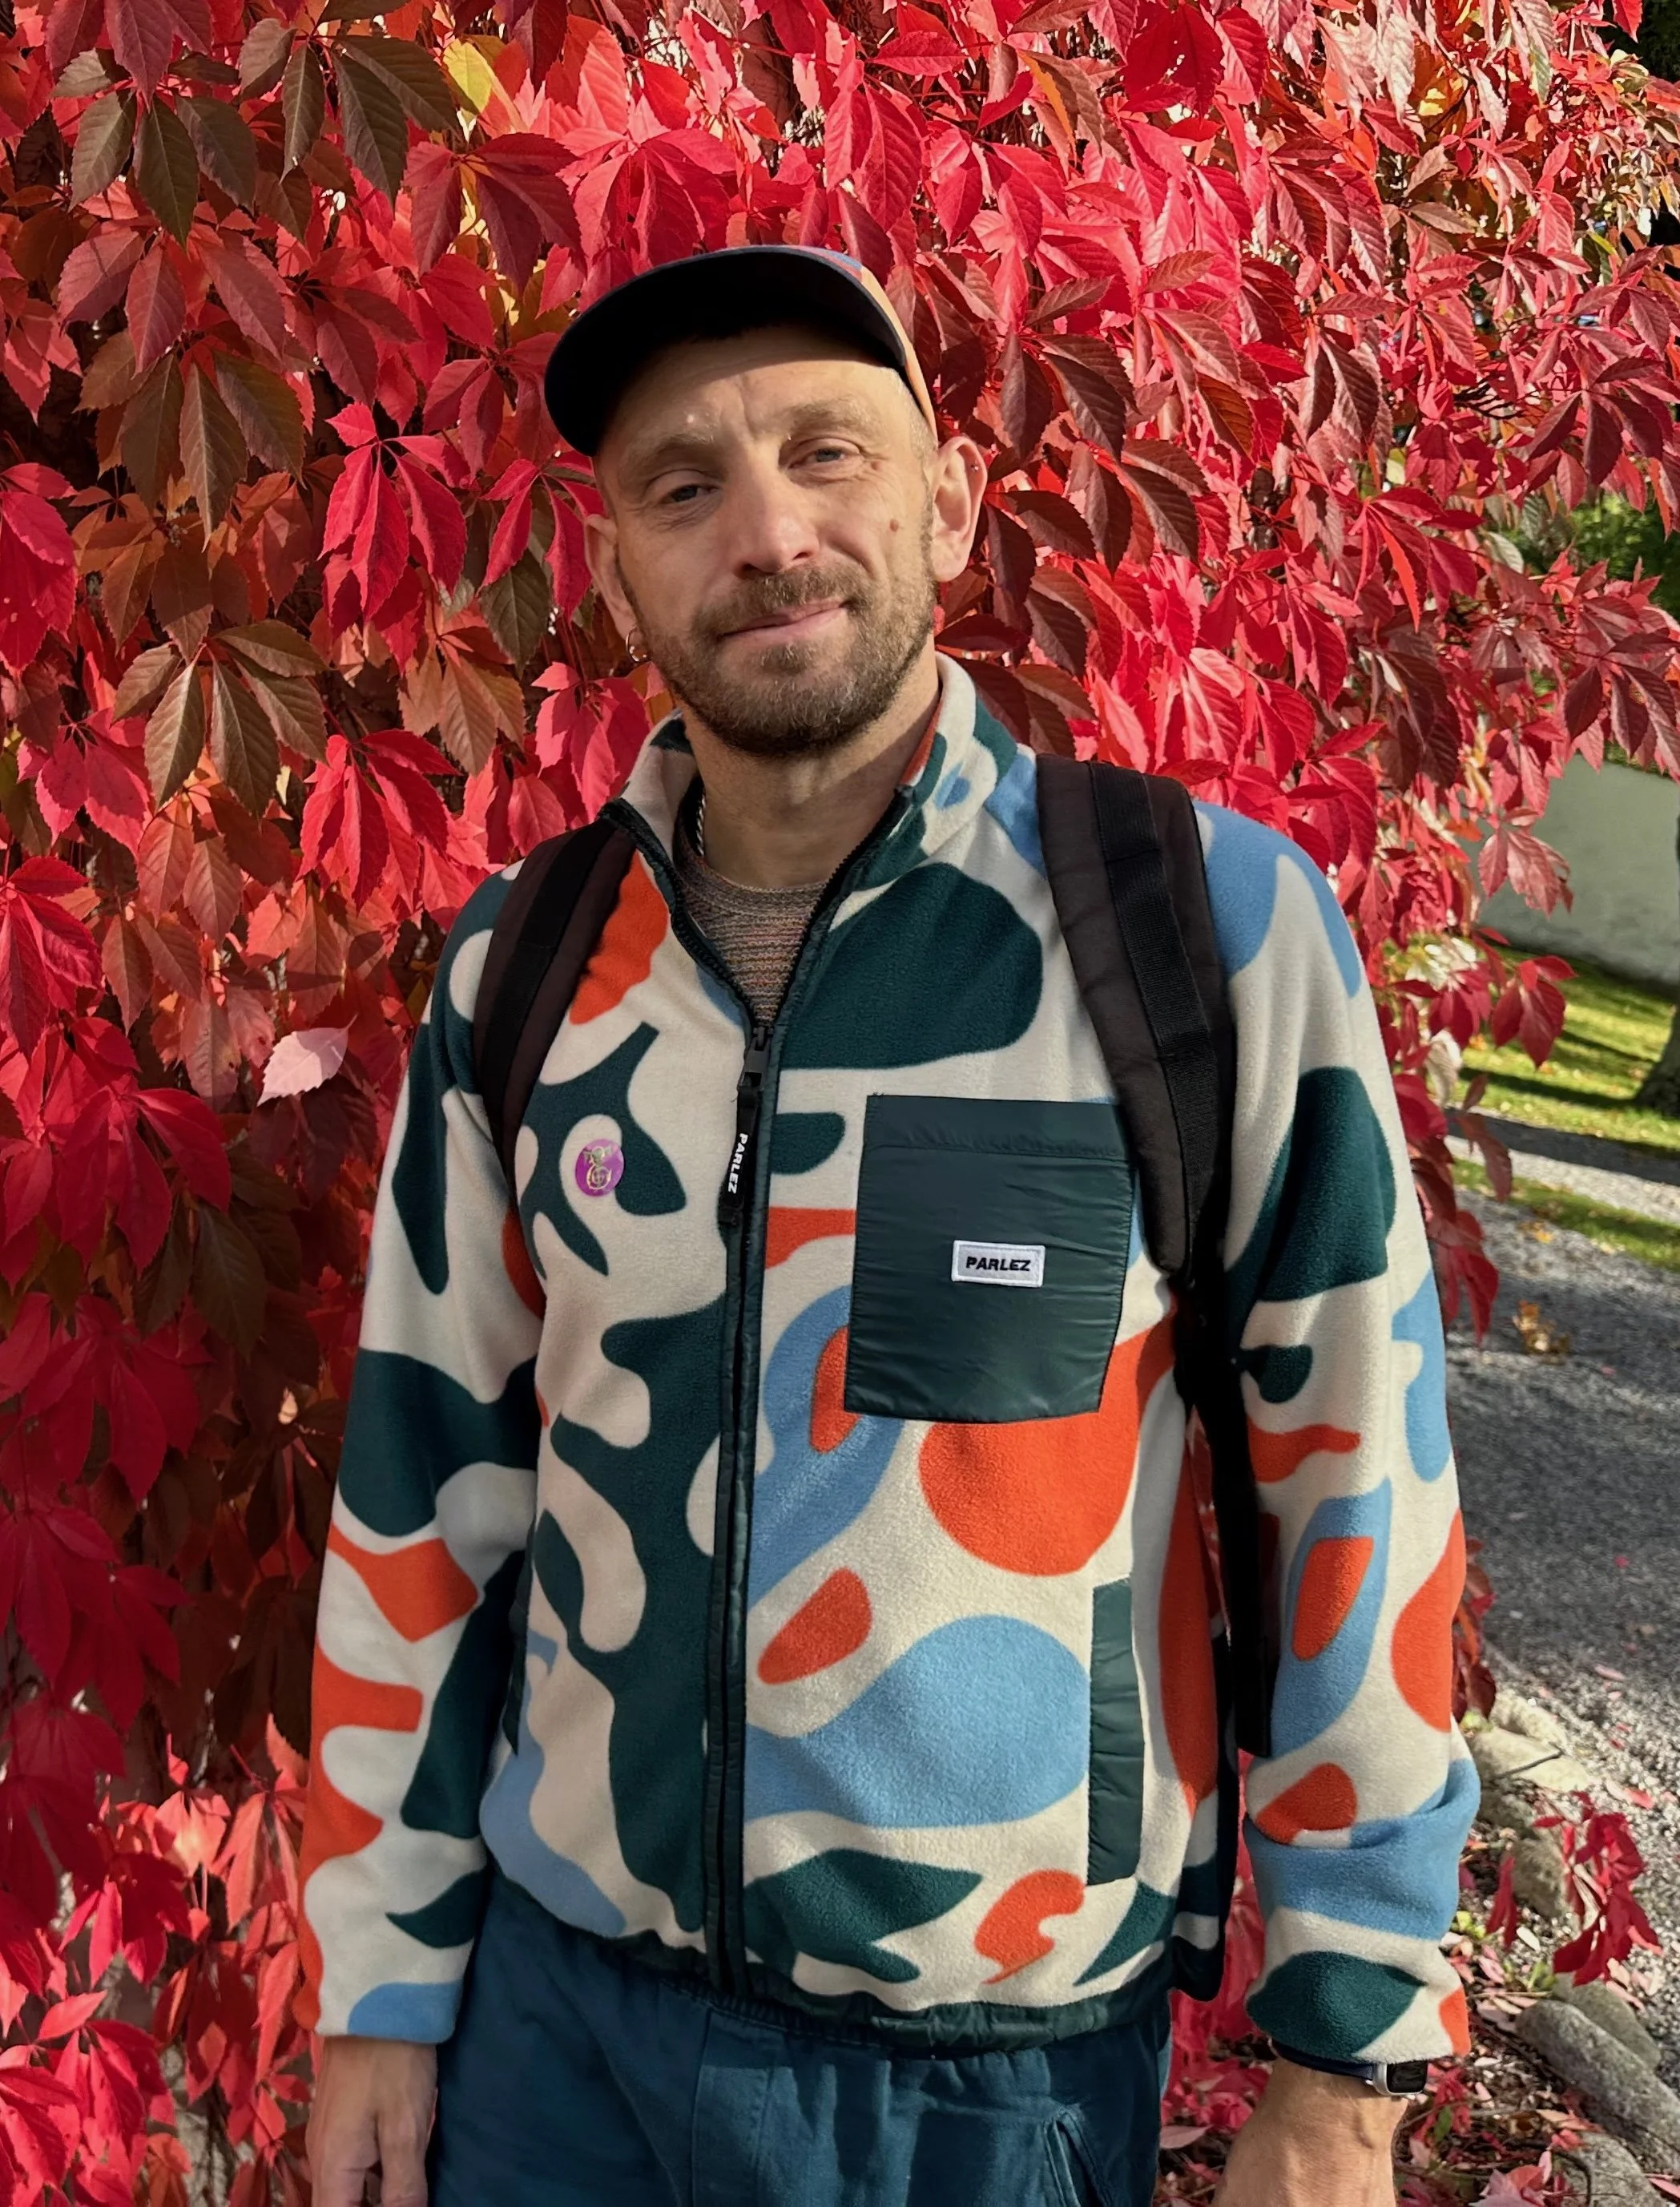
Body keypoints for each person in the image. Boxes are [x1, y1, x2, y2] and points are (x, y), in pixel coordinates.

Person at [300, 246, 1477, 2207]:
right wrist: (380, 1981)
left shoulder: (1197, 935)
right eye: (685, 484)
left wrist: (1345, 2057)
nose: (766, 533)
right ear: (620, 576)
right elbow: (422, 1496)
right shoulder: (525, 968)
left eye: (825, 453)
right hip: (556, 2048)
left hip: (984, 2096)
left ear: (946, 505)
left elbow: (1356, 1481)